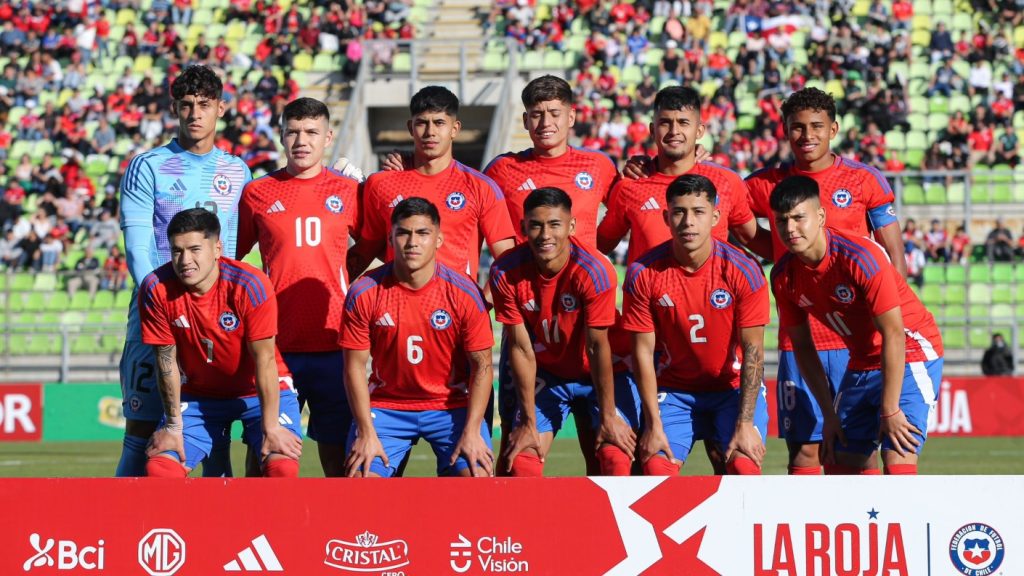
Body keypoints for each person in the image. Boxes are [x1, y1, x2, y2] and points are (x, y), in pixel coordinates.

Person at [744, 87, 906, 476]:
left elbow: (893, 253)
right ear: (784, 131)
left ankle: (864, 532)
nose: (807, 135)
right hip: (801, 338)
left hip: (861, 339)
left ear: (833, 128)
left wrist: (896, 316)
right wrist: (776, 248)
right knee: (804, 453)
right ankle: (810, 535)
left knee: (859, 450)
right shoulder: (763, 184)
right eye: (797, 127)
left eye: (817, 126)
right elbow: (728, 213)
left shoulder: (864, 180)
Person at [115, 64, 251, 478]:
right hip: (157, 319)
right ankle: (123, 531)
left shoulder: (237, 171)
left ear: (221, 109)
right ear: (175, 107)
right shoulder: (148, 166)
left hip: (215, 321)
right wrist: (161, 306)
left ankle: (218, 537)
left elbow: (236, 251)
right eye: (188, 105)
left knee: (218, 431)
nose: (195, 114)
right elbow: (138, 249)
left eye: (205, 105)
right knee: (143, 430)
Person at [483, 75, 619, 475]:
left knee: (606, 452)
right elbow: (465, 204)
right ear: (525, 120)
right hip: (526, 314)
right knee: (516, 448)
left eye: (555, 113)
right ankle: (514, 537)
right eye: (537, 114)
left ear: (571, 116)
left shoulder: (599, 166)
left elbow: (628, 213)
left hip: (585, 314)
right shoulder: (502, 169)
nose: (546, 122)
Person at [769, 176, 944, 475]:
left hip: (911, 349)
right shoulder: (784, 276)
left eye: (799, 217)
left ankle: (901, 522)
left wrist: (889, 410)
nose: (790, 228)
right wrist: (828, 415)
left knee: (897, 452)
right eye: (782, 220)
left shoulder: (860, 257)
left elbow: (893, 333)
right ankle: (866, 523)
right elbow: (802, 345)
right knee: (838, 460)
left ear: (820, 216)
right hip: (861, 360)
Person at [237, 97, 361, 477]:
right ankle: (254, 526)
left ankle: (338, 531)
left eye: (311, 132)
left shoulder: (350, 191)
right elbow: (231, 260)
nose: (301, 140)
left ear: (328, 137)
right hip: (275, 344)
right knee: (267, 449)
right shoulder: (258, 192)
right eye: (292, 132)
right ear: (280, 136)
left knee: (339, 456)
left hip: (333, 342)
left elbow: (377, 247)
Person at [622, 174, 769, 476]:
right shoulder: (643, 272)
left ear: (715, 216)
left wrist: (744, 425)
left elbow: (754, 351)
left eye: (698, 212)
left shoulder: (744, 270)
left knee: (744, 467)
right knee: (655, 468)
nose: (688, 221)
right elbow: (642, 354)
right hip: (674, 391)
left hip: (731, 389)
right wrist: (652, 424)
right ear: (666, 216)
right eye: (679, 212)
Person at [141, 208, 303, 478]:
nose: (185, 260)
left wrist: (272, 427)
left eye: (195, 249)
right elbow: (165, 360)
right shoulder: (156, 287)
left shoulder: (250, 285)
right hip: (199, 394)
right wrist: (172, 425)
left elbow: (265, 360)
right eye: (177, 251)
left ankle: (261, 521)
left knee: (282, 467)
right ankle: (190, 521)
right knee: (161, 470)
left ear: (217, 248)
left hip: (257, 390)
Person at [341, 198, 495, 478]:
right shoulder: (364, 291)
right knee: (362, 480)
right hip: (387, 407)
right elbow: (353, 367)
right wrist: (365, 431)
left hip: (451, 407)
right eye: (403, 233)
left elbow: (482, 366)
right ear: (390, 237)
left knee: (477, 478)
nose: (412, 242)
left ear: (438, 239)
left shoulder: (463, 292)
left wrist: (473, 431)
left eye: (423, 233)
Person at [491, 188, 639, 476]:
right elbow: (521, 348)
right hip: (551, 375)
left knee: (615, 457)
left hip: (607, 371)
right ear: (523, 228)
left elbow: (597, 347)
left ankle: (608, 522)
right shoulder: (504, 271)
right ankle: (530, 523)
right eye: (536, 225)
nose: (545, 234)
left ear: (571, 226)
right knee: (522, 458)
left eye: (554, 225)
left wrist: (609, 416)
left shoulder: (594, 270)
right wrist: (528, 423)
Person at [347, 85, 515, 282]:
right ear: (411, 128)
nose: (430, 132)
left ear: (455, 129)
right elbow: (368, 248)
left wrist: (481, 302)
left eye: (439, 122)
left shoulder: (480, 187)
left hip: (455, 308)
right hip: (397, 305)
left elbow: (508, 263)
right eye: (422, 123)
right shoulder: (382, 183)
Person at [597, 86, 757, 266]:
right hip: (647, 294)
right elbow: (597, 247)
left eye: (683, 122)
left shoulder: (726, 181)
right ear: (652, 129)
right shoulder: (630, 185)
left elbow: (755, 240)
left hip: (711, 293)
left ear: (699, 131)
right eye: (665, 122)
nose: (674, 131)